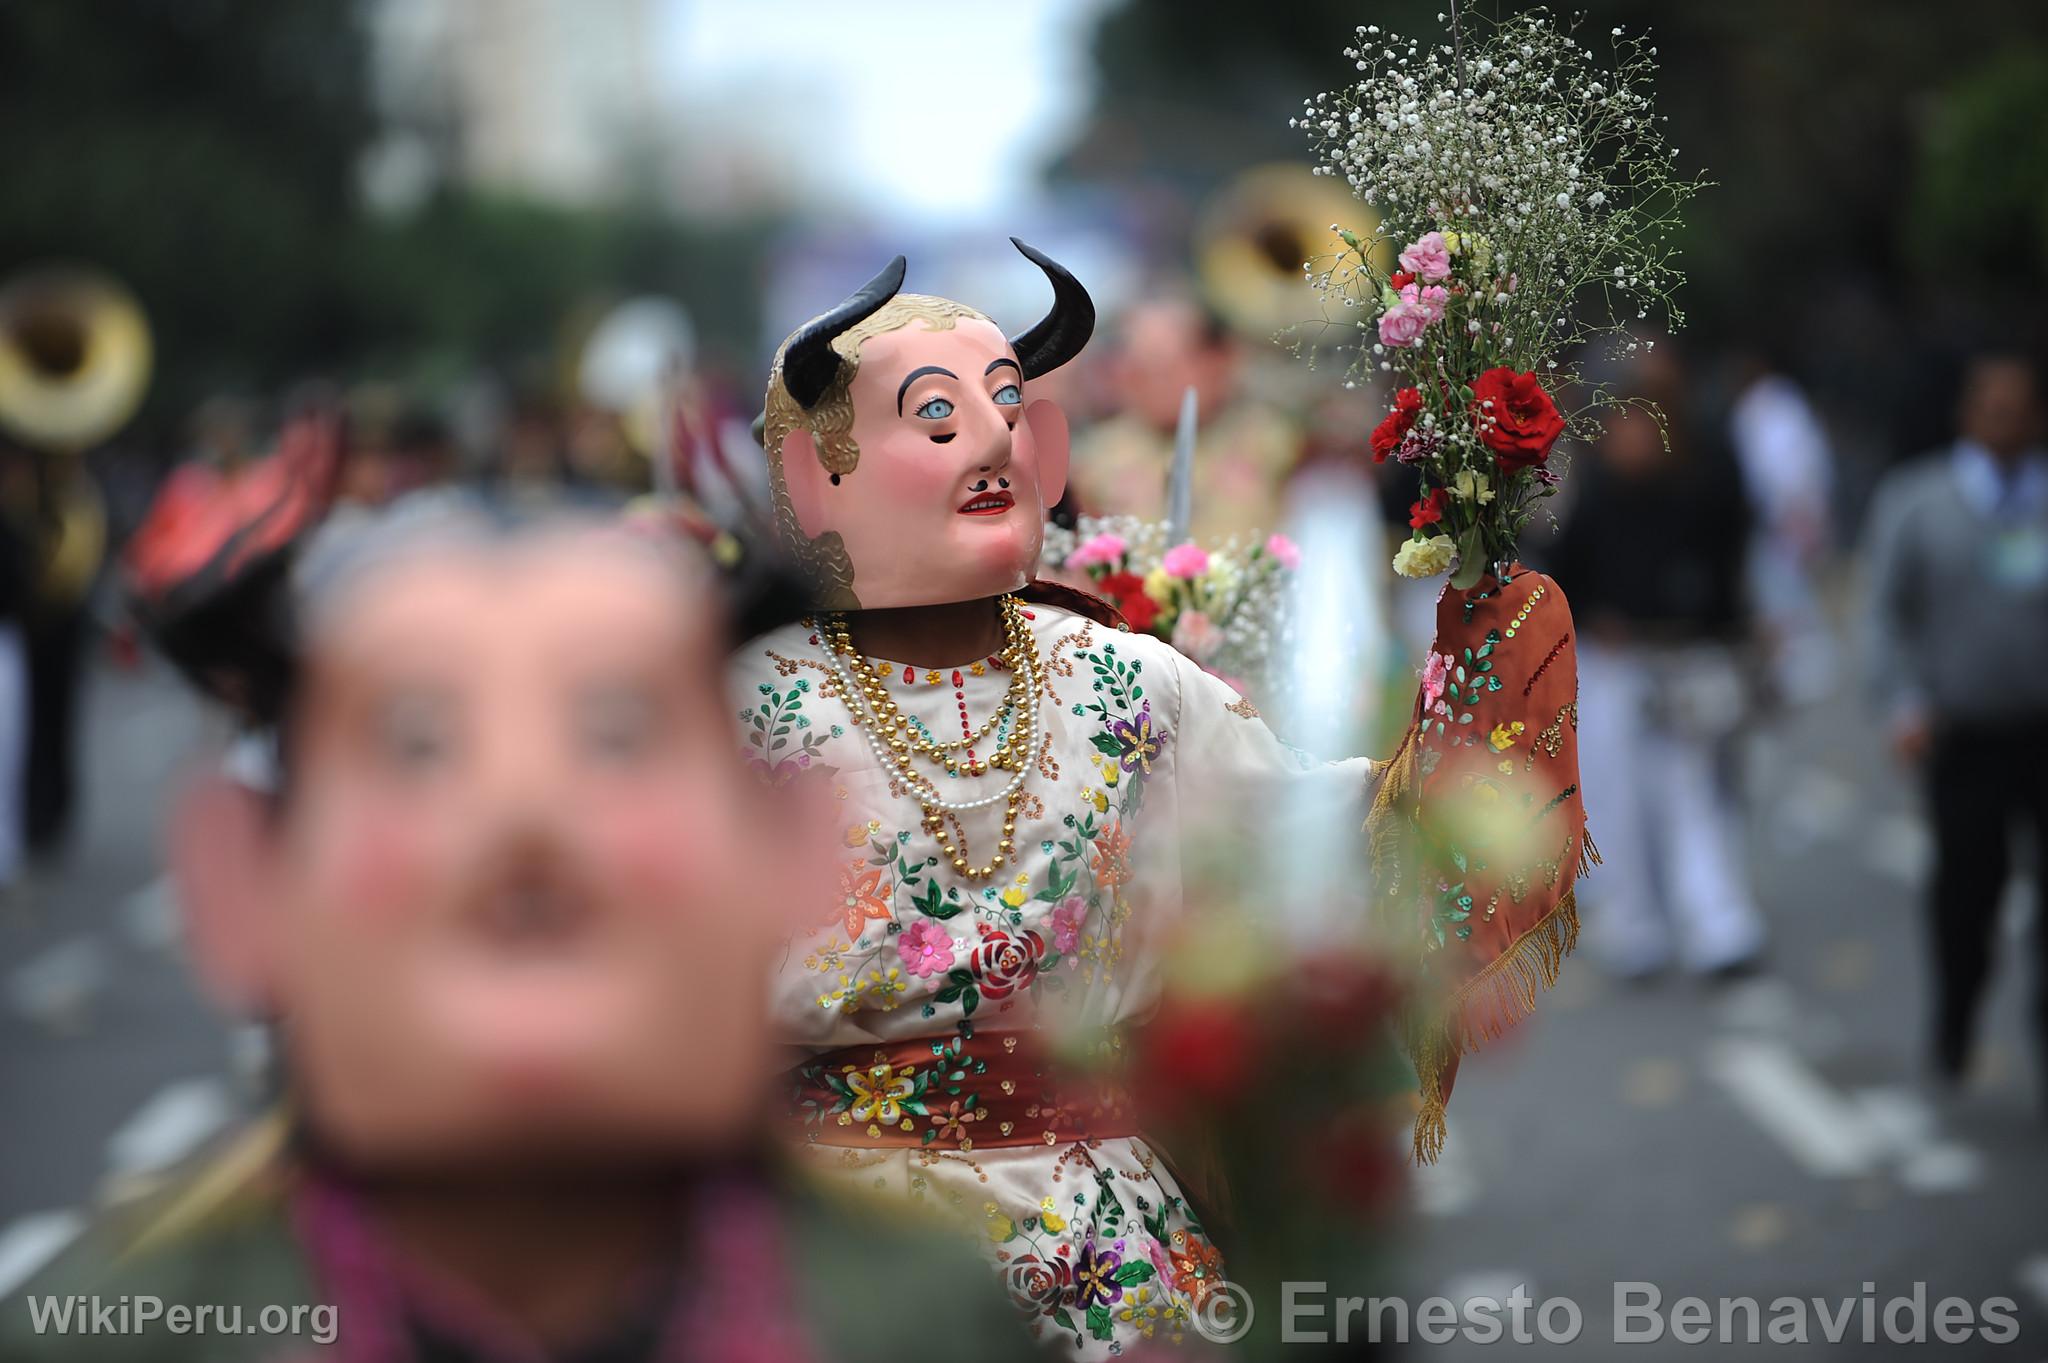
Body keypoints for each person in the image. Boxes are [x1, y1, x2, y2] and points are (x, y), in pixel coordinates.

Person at [736, 243, 1582, 1356]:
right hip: (836, 1257)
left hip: (1104, 1246)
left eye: (1007, 406)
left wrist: (1475, 655)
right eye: (936, 416)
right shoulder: (736, 707)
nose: (992, 441)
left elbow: (1316, 836)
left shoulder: (1126, 675)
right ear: (816, 474)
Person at [3, 478, 1032, 1363]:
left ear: (789, 852)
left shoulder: (936, 1323)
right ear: (245, 881)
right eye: (417, 744)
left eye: (616, 734)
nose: (524, 804)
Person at [1543, 343, 1766, 980]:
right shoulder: (1593, 485)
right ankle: (1635, 925)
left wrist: (1727, 632)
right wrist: (1593, 619)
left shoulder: (1706, 472)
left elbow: (1732, 561)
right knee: (1616, 795)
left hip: (1688, 657)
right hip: (1616, 663)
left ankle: (1716, 921)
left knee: (1694, 790)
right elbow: (1565, 571)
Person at [1860, 352, 2048, 1106]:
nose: (2005, 423)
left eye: (2020, 410)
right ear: (1968, 415)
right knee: (1968, 894)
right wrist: (1903, 703)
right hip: (1963, 735)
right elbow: (1884, 614)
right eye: (1992, 408)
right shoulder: (1917, 502)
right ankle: (1957, 1015)